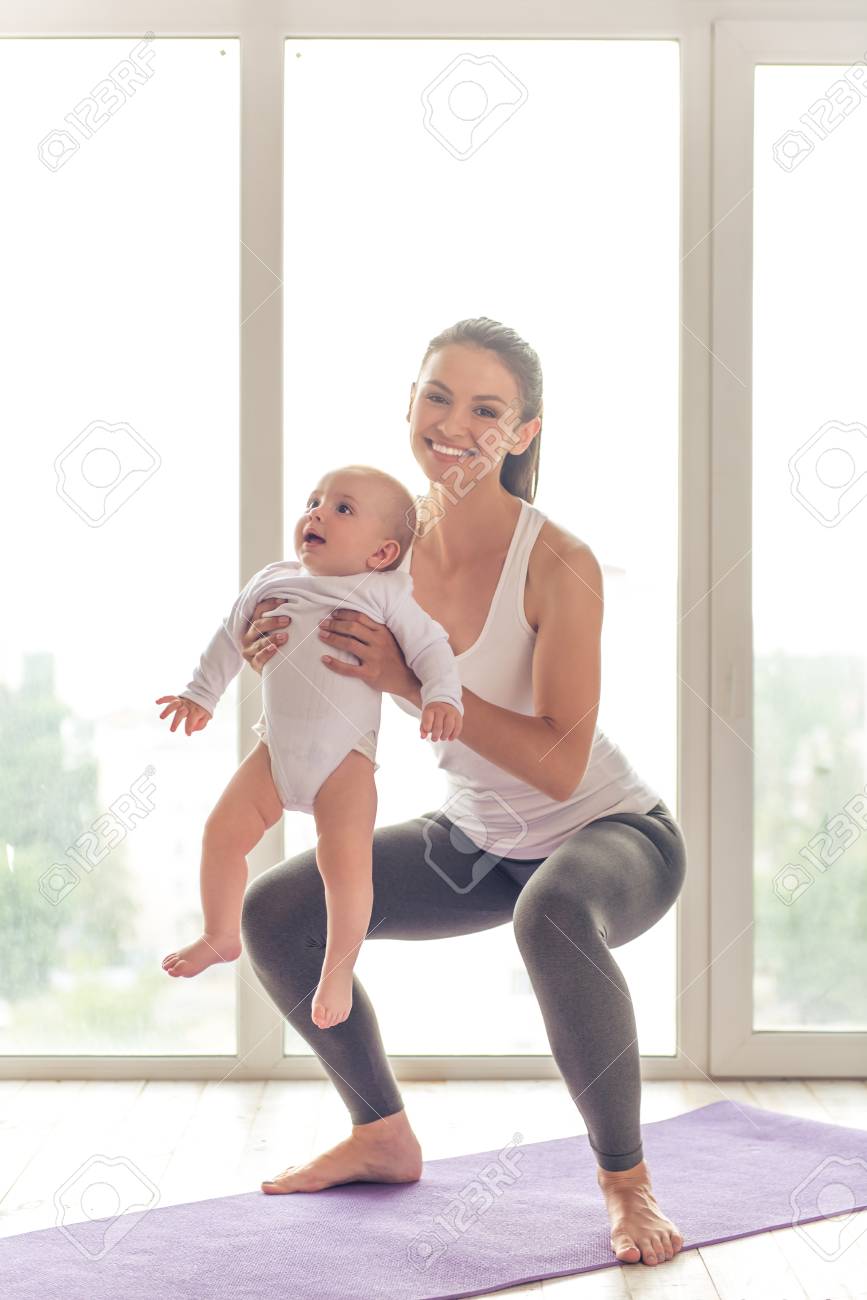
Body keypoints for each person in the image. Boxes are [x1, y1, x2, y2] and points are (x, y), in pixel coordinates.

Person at [239, 318, 688, 1268]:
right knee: (279, 910)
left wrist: (409, 683)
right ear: (408, 404)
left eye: (486, 410)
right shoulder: (377, 552)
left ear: (522, 434)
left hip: (611, 831)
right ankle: (381, 1135)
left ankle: (627, 1182)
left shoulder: (556, 561)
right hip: (478, 841)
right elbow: (318, 671)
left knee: (553, 912)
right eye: (437, 396)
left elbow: (561, 763)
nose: (453, 424)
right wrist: (273, 656)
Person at [155, 464, 463, 1029]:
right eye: (315, 501)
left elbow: (431, 647)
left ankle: (338, 966)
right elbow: (229, 636)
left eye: (343, 508)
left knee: (343, 867)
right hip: (274, 753)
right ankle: (221, 934)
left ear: (381, 552)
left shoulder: (383, 592)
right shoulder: (273, 579)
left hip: (345, 761)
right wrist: (201, 694)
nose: (317, 512)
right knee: (221, 835)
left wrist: (444, 697)